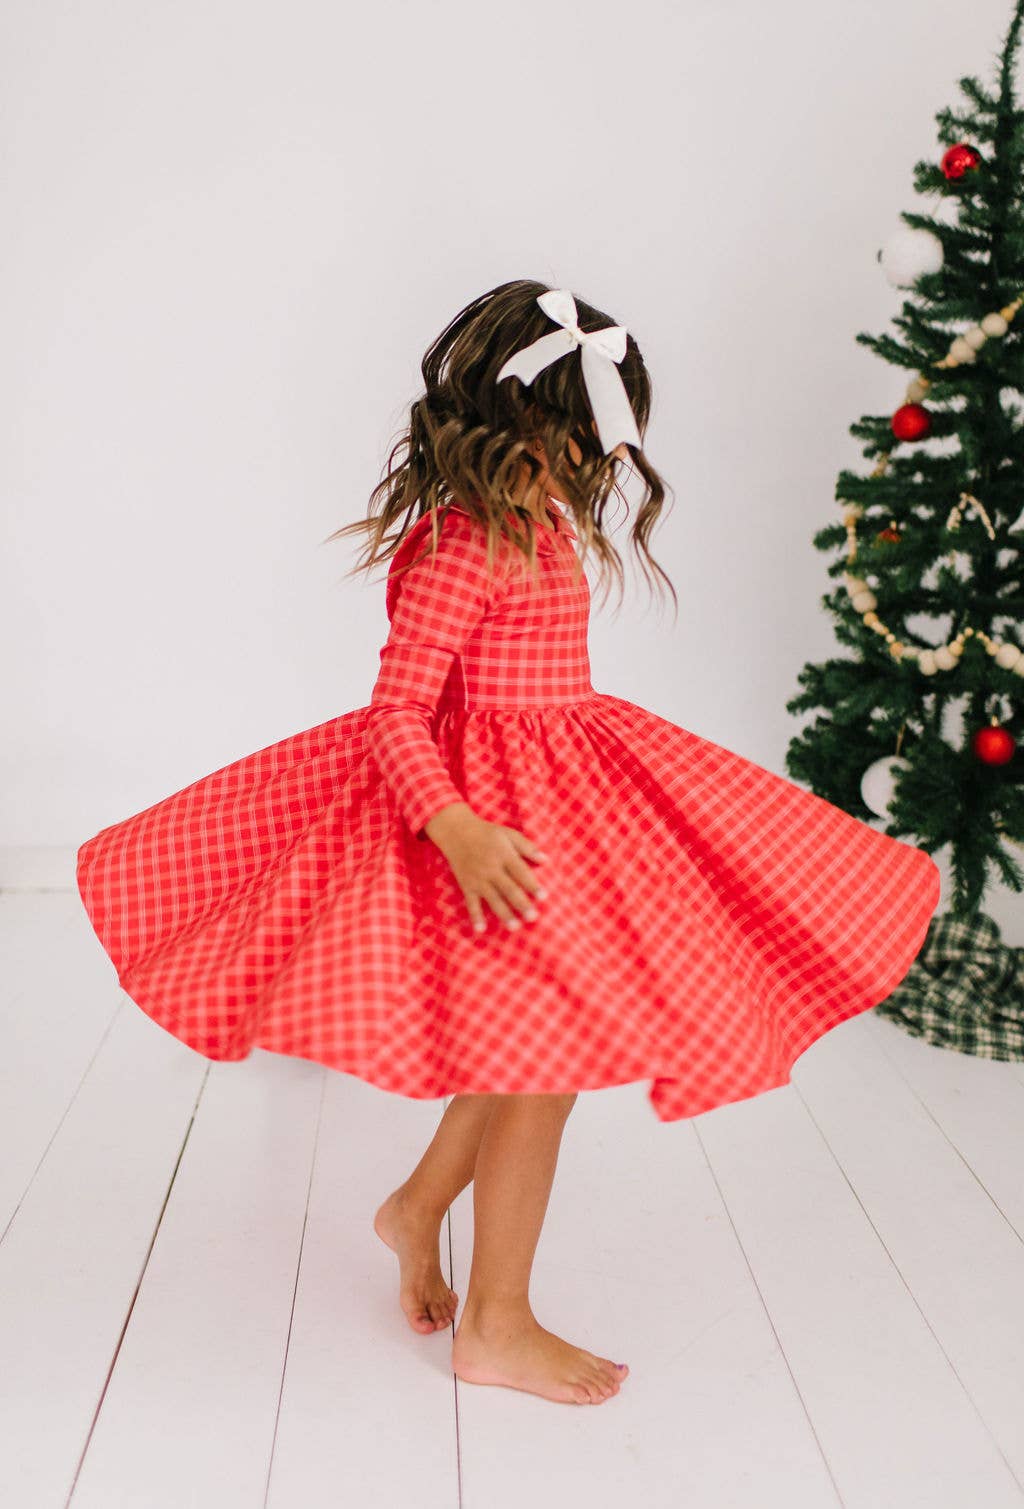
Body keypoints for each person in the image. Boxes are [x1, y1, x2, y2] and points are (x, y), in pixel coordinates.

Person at [76, 279, 942, 1408]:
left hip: (568, 802)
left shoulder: (536, 524)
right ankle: (493, 1324)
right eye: (571, 436)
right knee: (540, 1062)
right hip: (483, 823)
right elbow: (395, 709)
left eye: (596, 443)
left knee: (540, 1040)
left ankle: (418, 1207)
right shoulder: (467, 544)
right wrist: (455, 826)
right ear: (509, 421)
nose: (588, 464)